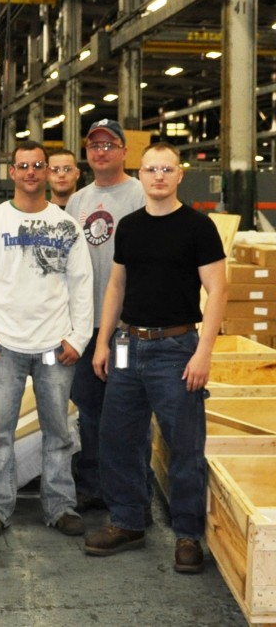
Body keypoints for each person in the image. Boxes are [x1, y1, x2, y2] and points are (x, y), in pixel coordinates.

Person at [84, 142, 227, 573]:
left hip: (176, 349)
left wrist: (203, 352)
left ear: (180, 175)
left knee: (184, 446)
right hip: (129, 345)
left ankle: (187, 534)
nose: (159, 176)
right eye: (151, 169)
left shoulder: (198, 227)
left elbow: (218, 291)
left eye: (167, 169)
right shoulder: (128, 227)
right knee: (118, 437)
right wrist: (105, 342)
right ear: (140, 175)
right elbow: (116, 286)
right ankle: (127, 521)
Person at [0, 140, 94, 539]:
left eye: (38, 165)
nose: (32, 172)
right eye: (24, 166)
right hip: (3, 347)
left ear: (47, 172)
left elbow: (81, 283)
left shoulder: (66, 225)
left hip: (56, 346)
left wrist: (79, 337)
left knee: (59, 432)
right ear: (12, 172)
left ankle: (60, 506)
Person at [66, 119, 146, 513]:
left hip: (127, 329)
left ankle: (135, 494)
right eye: (94, 146)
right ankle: (94, 487)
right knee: (89, 409)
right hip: (85, 325)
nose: (101, 151)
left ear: (123, 151)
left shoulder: (140, 194)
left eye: (109, 145)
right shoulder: (77, 202)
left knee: (128, 409)